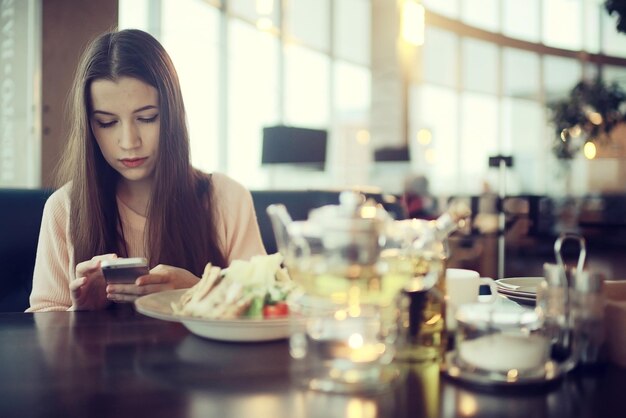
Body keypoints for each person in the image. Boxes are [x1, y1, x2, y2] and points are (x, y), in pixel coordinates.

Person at [26, 29, 266, 312]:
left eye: (146, 118)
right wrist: (79, 315)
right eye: (107, 122)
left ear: (172, 115)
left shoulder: (226, 198)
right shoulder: (64, 208)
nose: (129, 142)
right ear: (89, 127)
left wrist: (198, 291)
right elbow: (41, 330)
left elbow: (265, 306)